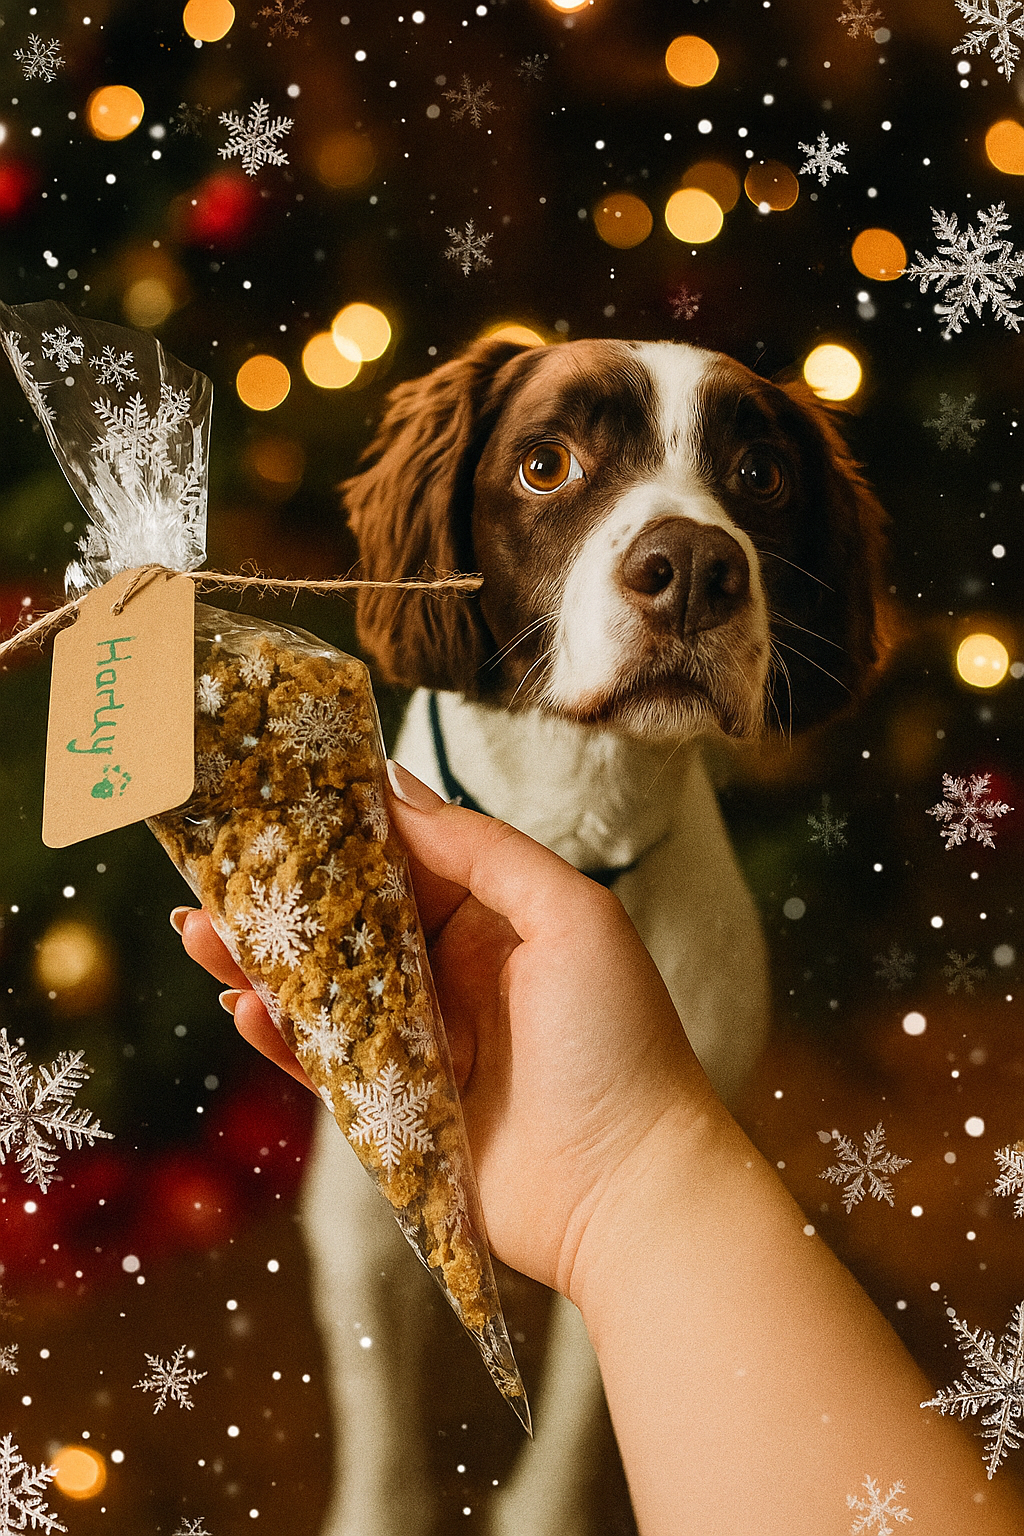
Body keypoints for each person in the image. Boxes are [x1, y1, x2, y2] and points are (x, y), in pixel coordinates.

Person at [173, 759, 1024, 1535]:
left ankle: (555, 1496)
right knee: (355, 1220)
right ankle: (382, 1492)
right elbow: (351, 1233)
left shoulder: (712, 946)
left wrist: (625, 1172)